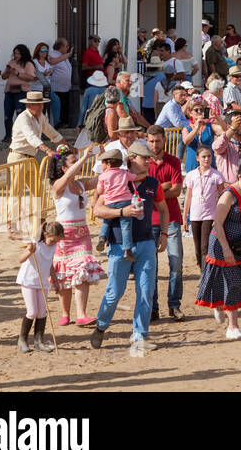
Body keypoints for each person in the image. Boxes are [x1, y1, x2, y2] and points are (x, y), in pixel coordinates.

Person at [89, 145, 168, 352]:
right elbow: (97, 209)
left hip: (146, 242)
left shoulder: (152, 183)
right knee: (115, 291)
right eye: (145, 158)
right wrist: (123, 211)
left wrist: (165, 234)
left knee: (146, 291)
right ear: (132, 158)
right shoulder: (117, 179)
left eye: (151, 159)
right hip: (118, 244)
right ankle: (101, 326)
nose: (150, 161)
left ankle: (140, 334)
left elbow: (163, 209)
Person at [195, 159, 241, 340]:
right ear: (239, 177)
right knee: (232, 282)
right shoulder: (228, 195)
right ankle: (232, 327)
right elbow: (218, 223)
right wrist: (226, 250)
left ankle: (220, 306)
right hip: (222, 243)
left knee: (238, 280)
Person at [48, 148, 104, 327]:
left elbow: (100, 179)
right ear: (64, 168)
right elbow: (66, 178)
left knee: (83, 270)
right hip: (63, 235)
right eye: (73, 161)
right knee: (64, 274)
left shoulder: (80, 184)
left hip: (82, 234)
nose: (78, 164)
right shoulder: (58, 186)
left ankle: (81, 314)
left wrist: (102, 158)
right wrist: (85, 157)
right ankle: (65, 313)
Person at [146, 128, 185, 321]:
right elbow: (142, 192)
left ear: (164, 140)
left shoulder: (174, 161)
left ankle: (174, 304)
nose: (155, 145)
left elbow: (177, 190)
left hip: (172, 218)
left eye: (158, 141)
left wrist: (154, 192)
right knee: (150, 266)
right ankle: (153, 307)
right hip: (149, 220)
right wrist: (163, 187)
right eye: (151, 141)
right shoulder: (142, 163)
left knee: (176, 262)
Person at [15, 221, 62, 353]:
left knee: (42, 312)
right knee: (32, 311)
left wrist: (55, 280)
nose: (54, 243)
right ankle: (22, 340)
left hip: (42, 282)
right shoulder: (35, 244)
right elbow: (20, 259)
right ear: (46, 234)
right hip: (28, 281)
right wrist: (30, 251)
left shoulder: (53, 246)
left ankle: (38, 341)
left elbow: (50, 263)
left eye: (56, 241)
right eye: (52, 240)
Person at [183, 146, 227, 271]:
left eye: (209, 156)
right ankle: (201, 267)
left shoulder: (216, 175)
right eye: (203, 156)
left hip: (210, 214)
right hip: (195, 215)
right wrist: (185, 217)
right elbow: (188, 197)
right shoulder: (192, 175)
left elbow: (222, 196)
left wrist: (219, 216)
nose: (206, 159)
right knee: (197, 247)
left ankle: (205, 274)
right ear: (197, 158)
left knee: (205, 246)